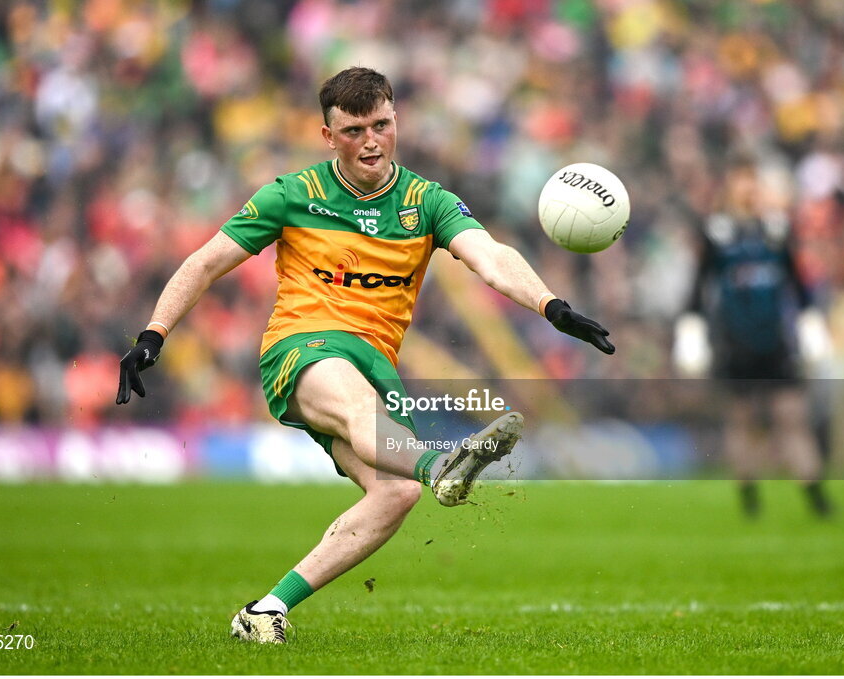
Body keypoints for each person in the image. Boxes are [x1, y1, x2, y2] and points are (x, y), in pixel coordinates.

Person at [115, 67, 614, 643]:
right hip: (303, 347)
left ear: (397, 120)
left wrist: (552, 306)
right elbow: (204, 261)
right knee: (362, 411)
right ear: (328, 136)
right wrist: (153, 333)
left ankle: (265, 611)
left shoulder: (428, 202)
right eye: (354, 130)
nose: (372, 141)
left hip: (378, 363)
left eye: (382, 124)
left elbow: (492, 257)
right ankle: (441, 465)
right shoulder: (291, 194)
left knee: (394, 494)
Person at [673, 152, 833, 518]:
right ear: (729, 186)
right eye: (741, 179)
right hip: (734, 341)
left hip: (775, 341)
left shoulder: (776, 230)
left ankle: (815, 496)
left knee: (791, 416)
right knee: (742, 420)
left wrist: (811, 325)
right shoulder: (716, 232)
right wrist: (691, 332)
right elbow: (698, 287)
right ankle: (749, 498)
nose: (748, 187)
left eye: (752, 179)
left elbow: (798, 283)